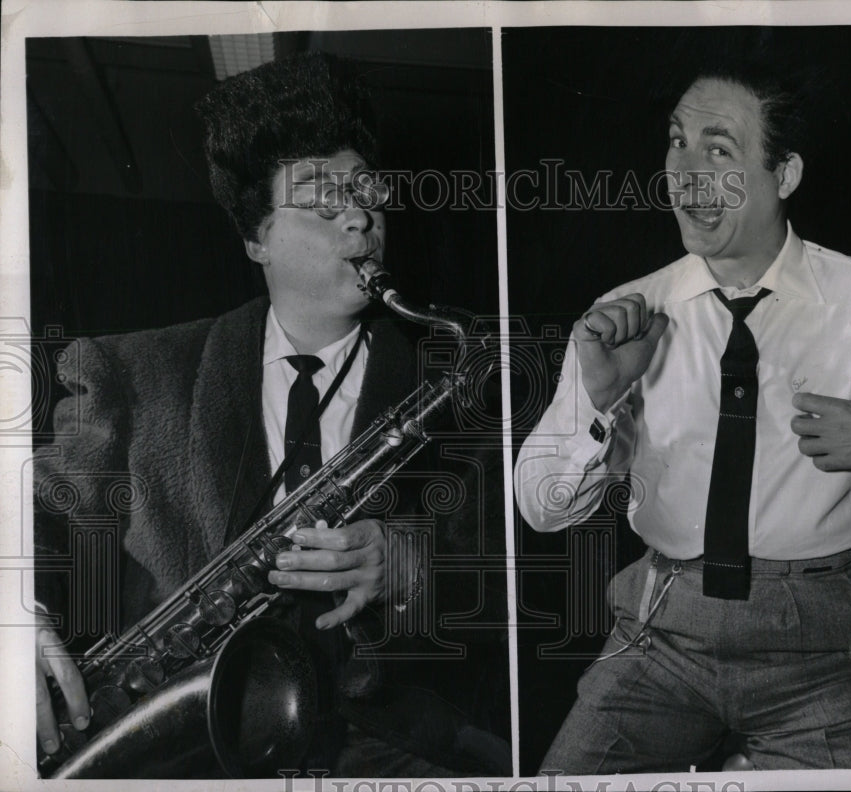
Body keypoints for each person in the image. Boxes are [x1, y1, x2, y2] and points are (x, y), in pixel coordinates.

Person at [33, 52, 508, 778]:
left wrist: (412, 562)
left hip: (390, 750)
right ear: (256, 239)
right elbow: (40, 522)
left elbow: (529, 548)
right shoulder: (131, 373)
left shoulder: (455, 370)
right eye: (323, 198)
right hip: (175, 754)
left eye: (368, 191)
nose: (359, 215)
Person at [514, 61, 851, 772]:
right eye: (676, 142)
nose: (685, 174)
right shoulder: (628, 311)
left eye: (718, 150)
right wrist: (597, 400)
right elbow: (541, 510)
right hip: (661, 633)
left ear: (784, 174)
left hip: (822, 651)